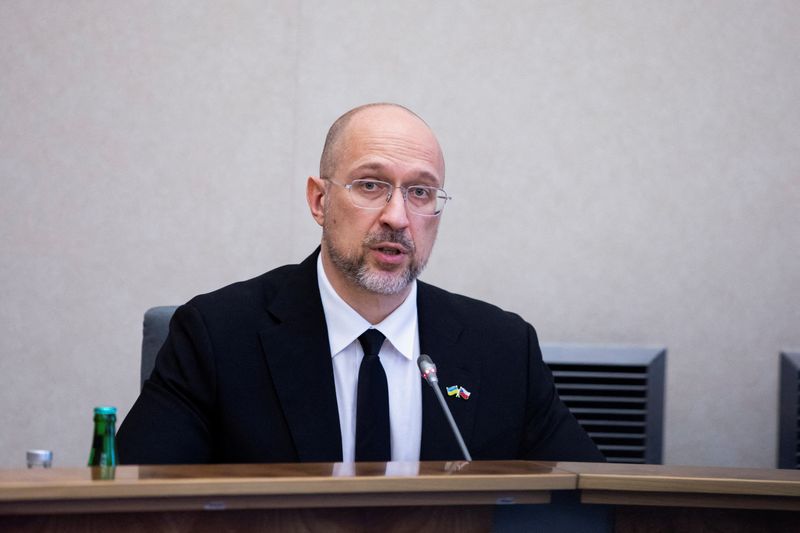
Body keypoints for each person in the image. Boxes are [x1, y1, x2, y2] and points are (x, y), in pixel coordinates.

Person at [117, 103, 603, 464]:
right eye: (371, 185)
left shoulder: (502, 347)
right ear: (319, 200)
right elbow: (136, 502)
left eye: (420, 192)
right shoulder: (217, 336)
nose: (397, 217)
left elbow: (591, 500)